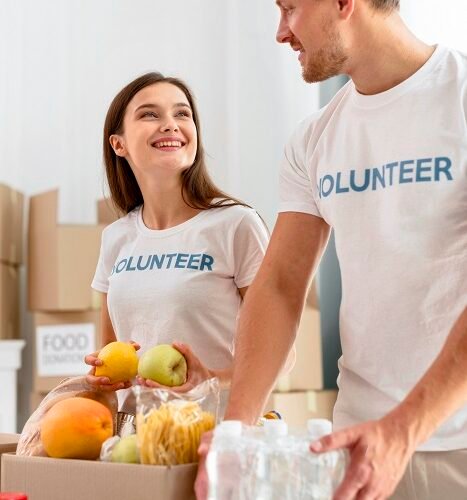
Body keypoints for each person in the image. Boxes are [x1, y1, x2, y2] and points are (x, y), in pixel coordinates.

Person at [195, 0, 467, 499]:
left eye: (290, 9)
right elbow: (278, 285)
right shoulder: (314, 139)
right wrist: (234, 431)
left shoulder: (461, 99)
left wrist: (402, 430)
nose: (281, 32)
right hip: (357, 447)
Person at [84, 72, 270, 416]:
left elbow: (280, 353)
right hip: (138, 439)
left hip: (217, 435)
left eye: (182, 114)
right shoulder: (116, 238)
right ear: (118, 144)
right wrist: (106, 375)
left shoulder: (236, 224)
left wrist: (211, 379)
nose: (170, 124)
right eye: (150, 114)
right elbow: (112, 349)